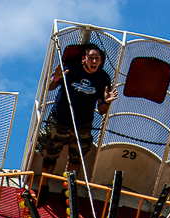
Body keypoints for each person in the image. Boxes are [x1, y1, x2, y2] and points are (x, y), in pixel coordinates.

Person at [37, 45, 118, 204]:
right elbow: (51, 87)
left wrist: (107, 102)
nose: (94, 61)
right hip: (59, 121)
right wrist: (56, 77)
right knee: (50, 157)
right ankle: (43, 188)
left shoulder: (103, 78)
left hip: (82, 126)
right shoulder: (70, 69)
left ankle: (67, 192)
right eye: (91, 58)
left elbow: (101, 110)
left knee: (75, 160)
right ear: (83, 59)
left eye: (97, 59)